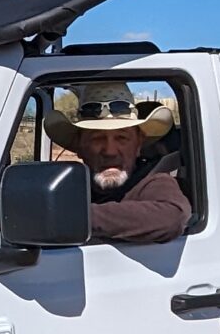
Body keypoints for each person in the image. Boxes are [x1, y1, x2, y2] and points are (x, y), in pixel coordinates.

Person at [43, 80, 192, 245]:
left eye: (122, 138)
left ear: (138, 145)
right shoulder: (69, 188)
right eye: (97, 138)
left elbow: (172, 217)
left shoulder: (151, 183)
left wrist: (70, 218)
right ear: (79, 147)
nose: (110, 151)